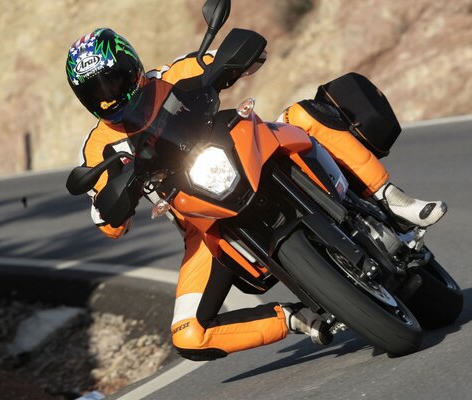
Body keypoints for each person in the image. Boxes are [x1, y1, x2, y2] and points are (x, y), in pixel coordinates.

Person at [66, 28, 447, 361]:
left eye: (113, 81)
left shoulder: (170, 75)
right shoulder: (98, 147)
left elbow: (231, 60)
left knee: (299, 115)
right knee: (187, 334)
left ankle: (390, 197)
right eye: (95, 91)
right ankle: (297, 318)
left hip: (240, 148)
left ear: (130, 67)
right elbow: (107, 220)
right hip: (204, 224)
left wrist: (235, 61)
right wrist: (112, 203)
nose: (108, 95)